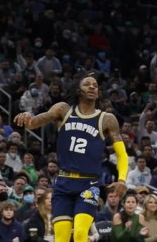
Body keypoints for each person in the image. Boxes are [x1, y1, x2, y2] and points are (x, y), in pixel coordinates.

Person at [14, 74, 129, 242]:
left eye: (95, 85)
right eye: (87, 84)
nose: (92, 87)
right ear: (78, 90)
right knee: (61, 237)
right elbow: (34, 123)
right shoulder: (63, 110)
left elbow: (122, 153)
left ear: (98, 93)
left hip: (88, 184)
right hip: (63, 183)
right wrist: (28, 116)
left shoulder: (107, 119)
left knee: (81, 233)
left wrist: (122, 179)